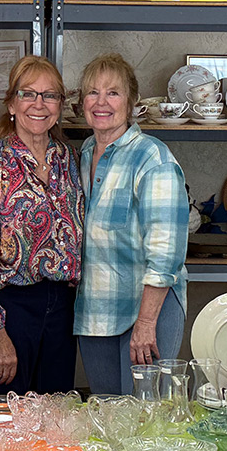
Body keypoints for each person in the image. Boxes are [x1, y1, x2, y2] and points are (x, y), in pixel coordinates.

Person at [0, 56, 84, 393]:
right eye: (28, 94)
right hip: (9, 310)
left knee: (55, 415)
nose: (39, 104)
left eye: (50, 95)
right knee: (5, 417)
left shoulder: (69, 159)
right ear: (12, 103)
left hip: (62, 310)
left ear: (60, 105)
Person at [75, 53, 189, 395]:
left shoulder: (152, 158)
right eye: (92, 92)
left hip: (146, 311)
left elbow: (167, 252)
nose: (101, 102)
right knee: (106, 415)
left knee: (144, 417)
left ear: (132, 102)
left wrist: (146, 322)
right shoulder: (84, 153)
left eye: (113, 93)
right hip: (95, 312)